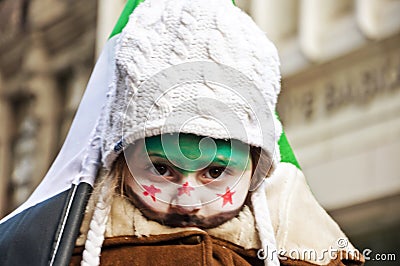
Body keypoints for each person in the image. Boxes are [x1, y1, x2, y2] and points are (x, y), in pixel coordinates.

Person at [0, 0, 365, 265]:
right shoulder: (52, 252)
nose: (187, 201)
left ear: (256, 170)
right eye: (161, 169)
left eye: (216, 172)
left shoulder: (303, 254)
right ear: (121, 162)